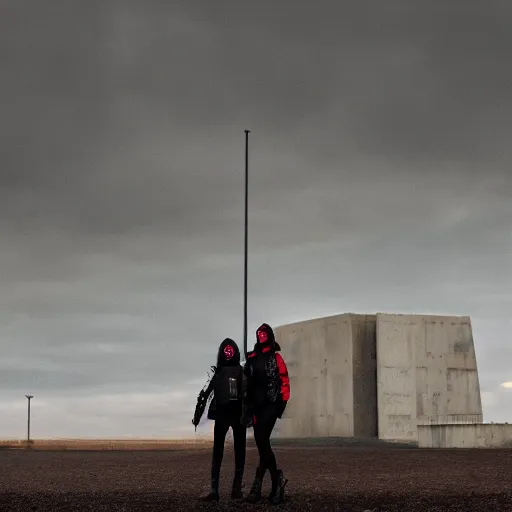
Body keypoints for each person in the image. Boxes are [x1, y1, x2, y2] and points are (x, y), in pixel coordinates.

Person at [192, 338, 247, 501]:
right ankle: (234, 490)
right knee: (238, 451)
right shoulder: (240, 371)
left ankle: (216, 490)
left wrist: (197, 415)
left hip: (225, 414)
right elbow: (248, 393)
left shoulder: (220, 372)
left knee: (220, 452)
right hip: (236, 415)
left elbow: (205, 394)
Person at [244, 323, 290, 505]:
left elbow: (284, 380)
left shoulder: (276, 357)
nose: (261, 336)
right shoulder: (252, 358)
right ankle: (277, 481)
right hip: (256, 407)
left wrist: (282, 404)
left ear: (269, 335)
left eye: (264, 333)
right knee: (263, 446)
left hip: (271, 405)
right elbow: (247, 384)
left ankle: (257, 484)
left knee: (263, 440)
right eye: (259, 334)